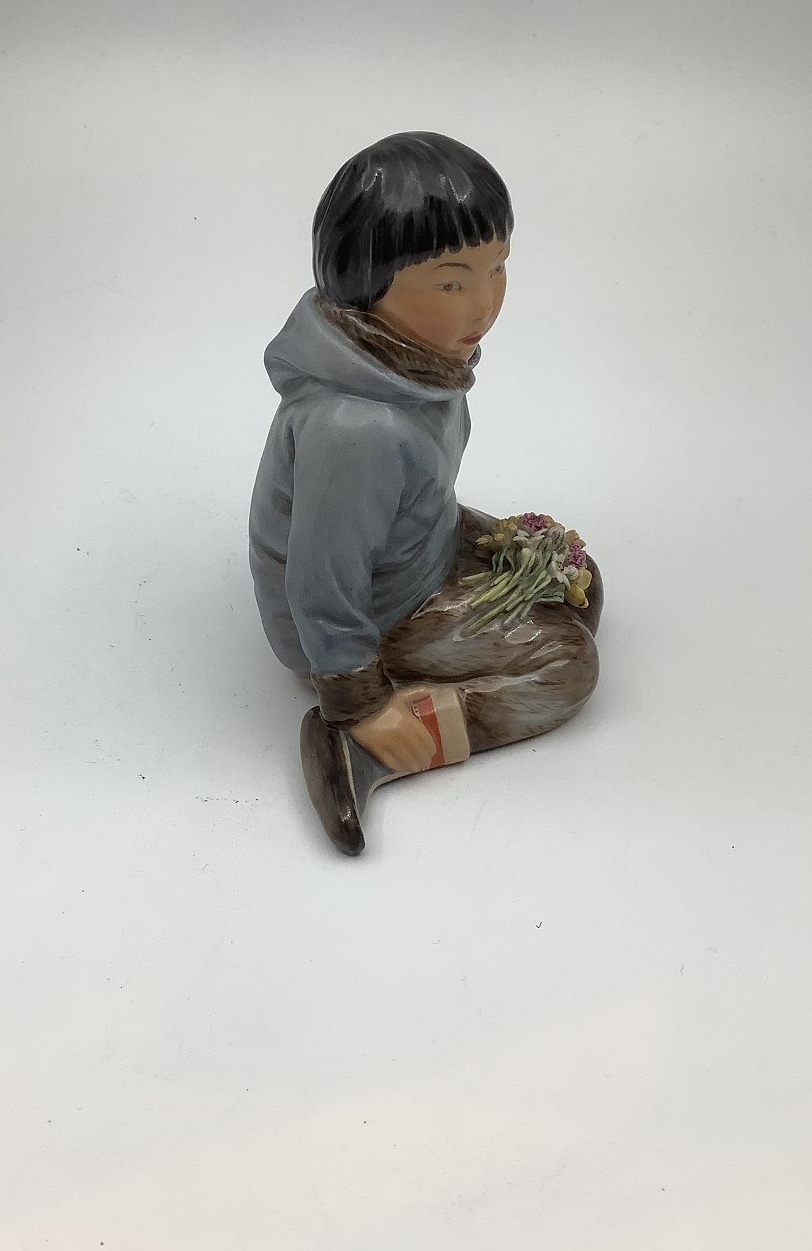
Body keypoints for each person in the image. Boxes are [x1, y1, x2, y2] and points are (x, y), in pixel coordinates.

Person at [249, 132, 601, 855]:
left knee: (578, 585)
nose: (486, 303)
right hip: (359, 624)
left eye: (498, 269)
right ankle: (358, 750)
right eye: (451, 282)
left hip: (409, 557)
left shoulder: (414, 366)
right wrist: (358, 699)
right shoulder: (356, 428)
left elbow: (419, 496)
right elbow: (321, 583)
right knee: (564, 664)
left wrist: (487, 538)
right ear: (368, 285)